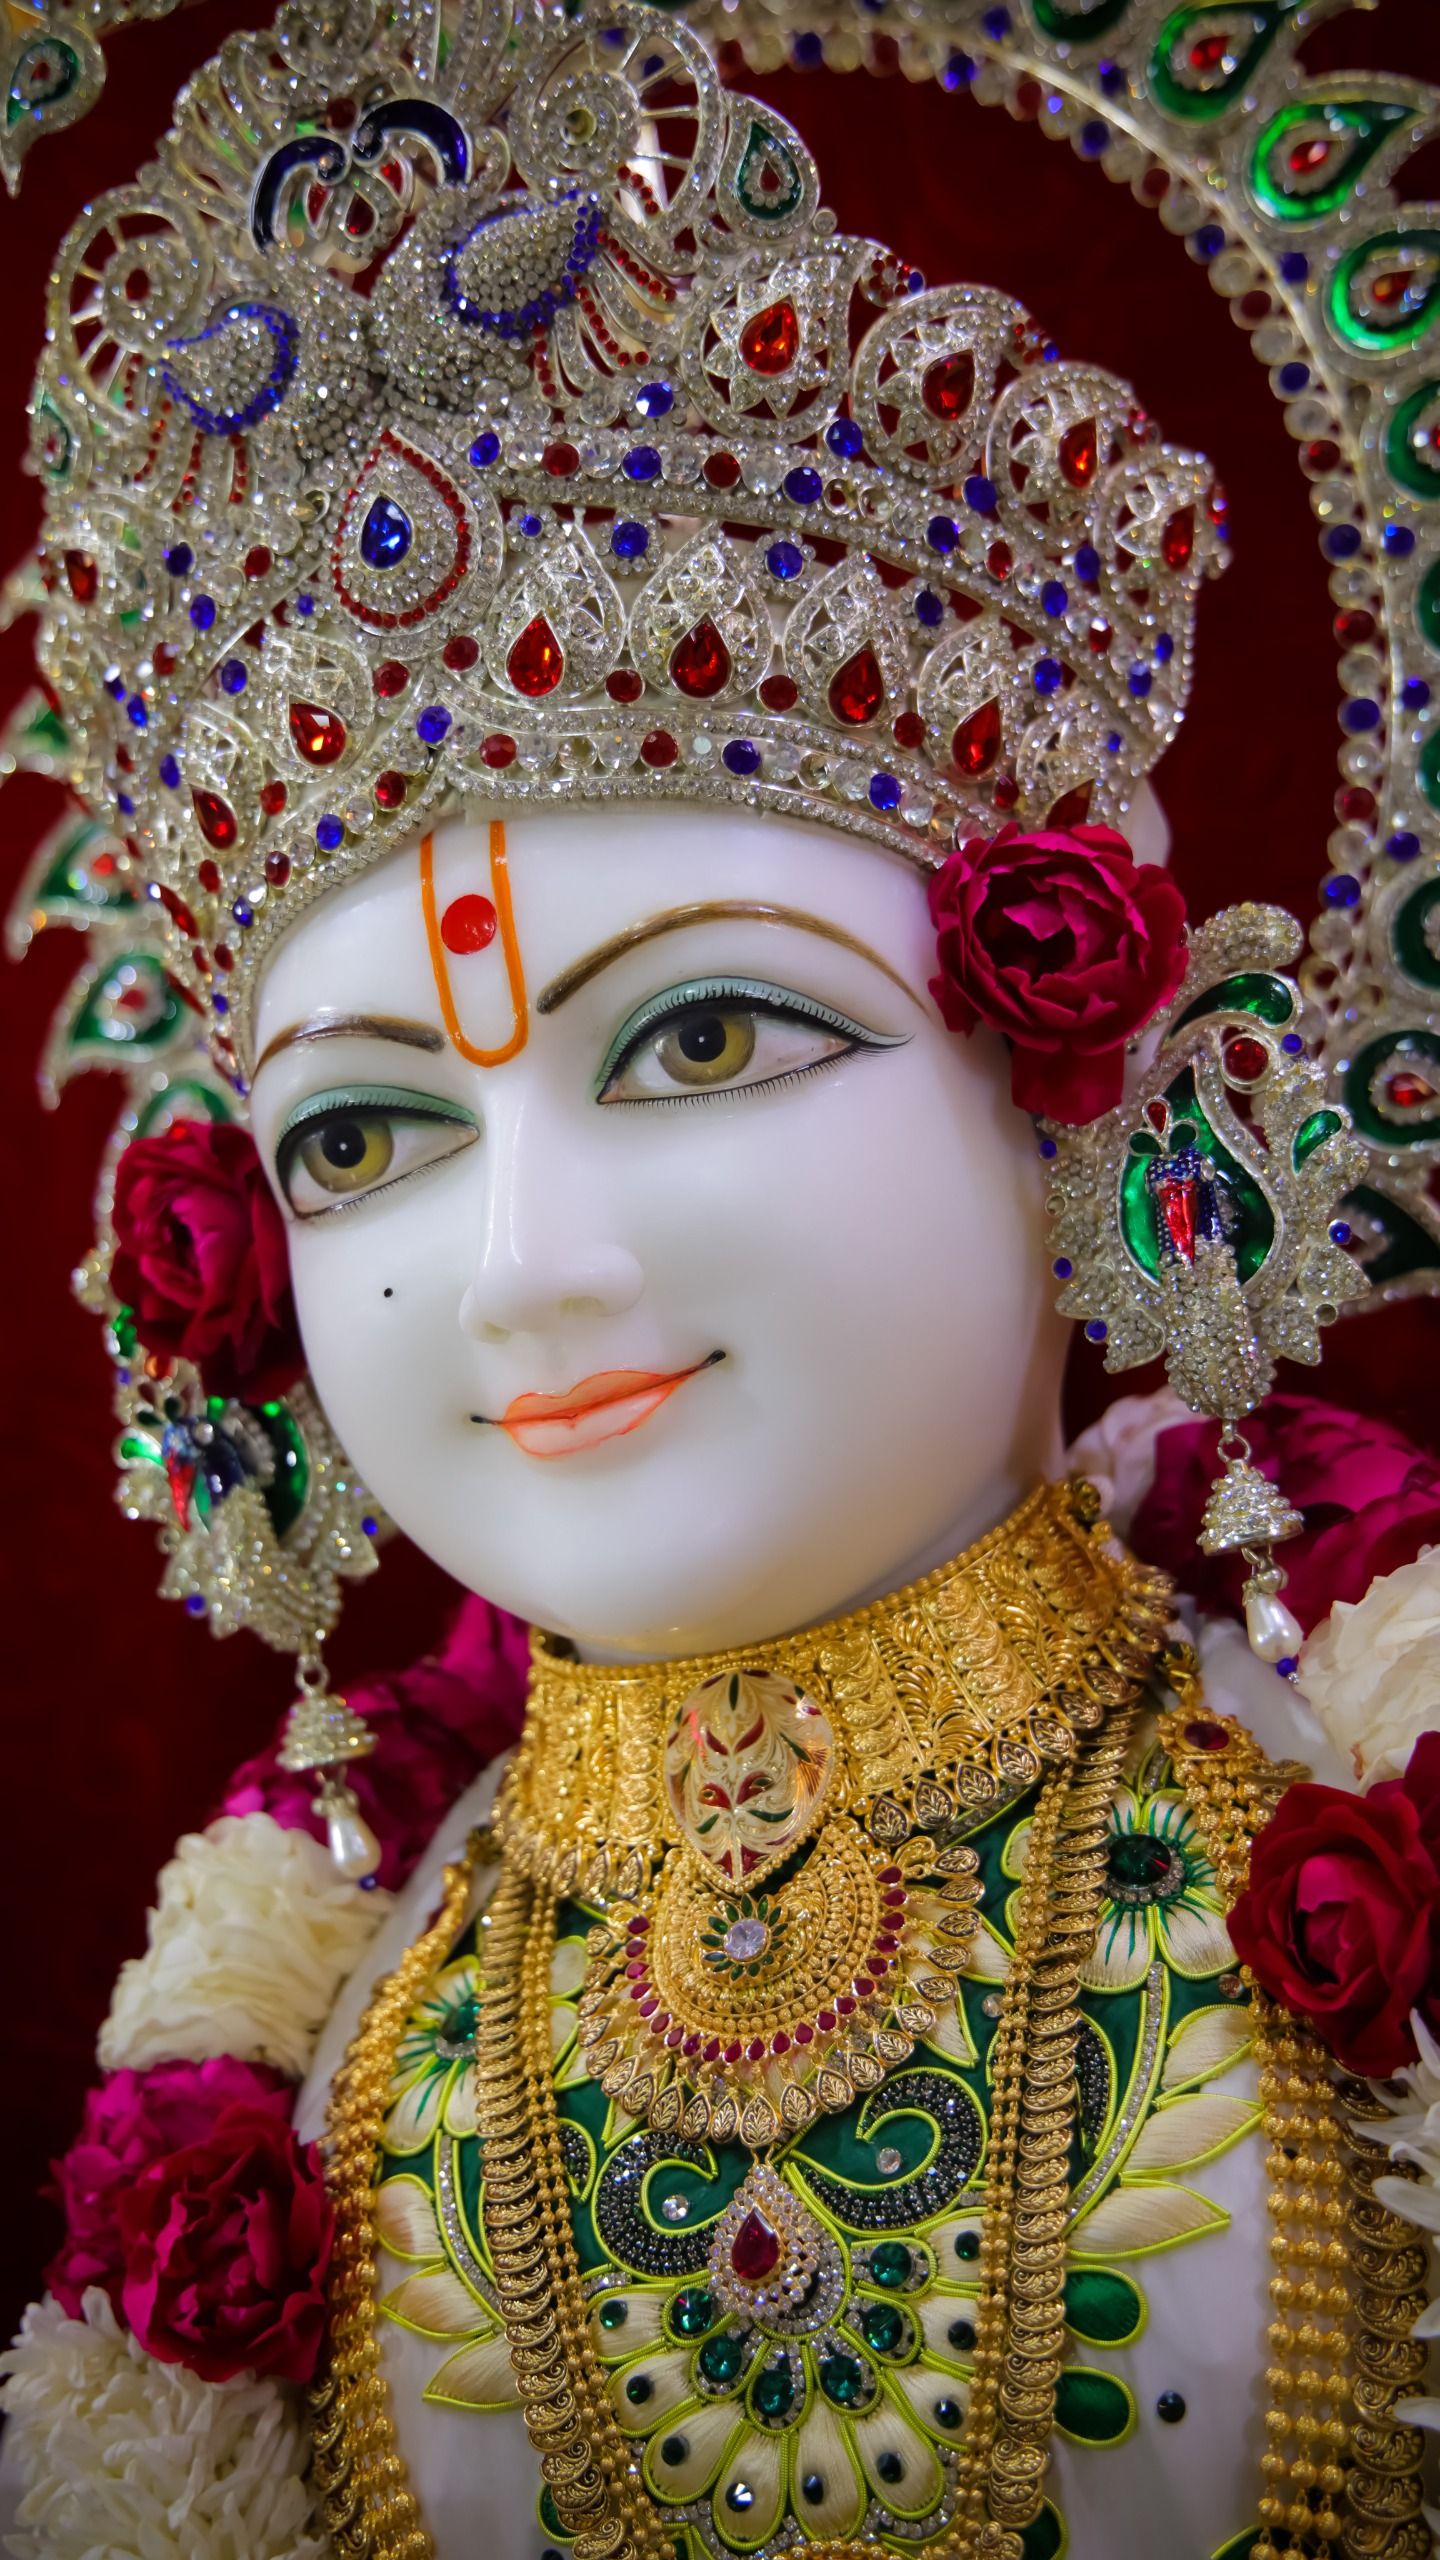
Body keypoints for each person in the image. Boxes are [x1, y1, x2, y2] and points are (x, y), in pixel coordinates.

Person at [1, 3, 1435, 2555]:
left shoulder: (1356, 1801)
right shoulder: (320, 2022)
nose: (531, 1269)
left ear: (1077, 1062)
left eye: (700, 1037)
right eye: (364, 1135)